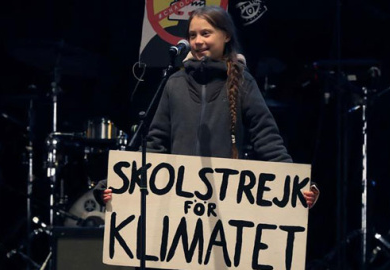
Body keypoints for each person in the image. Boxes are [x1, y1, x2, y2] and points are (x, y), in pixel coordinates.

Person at [100, 5, 319, 207]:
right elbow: (155, 144)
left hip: (225, 200)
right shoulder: (174, 83)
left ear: (226, 36)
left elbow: (267, 140)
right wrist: (118, 185)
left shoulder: (243, 82)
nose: (197, 41)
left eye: (206, 33)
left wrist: (297, 184)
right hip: (178, 200)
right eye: (192, 35)